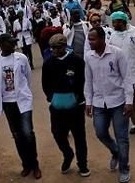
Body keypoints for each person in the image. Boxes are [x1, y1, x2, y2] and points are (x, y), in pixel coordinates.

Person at [84, 26, 133, 183]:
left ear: (102, 39)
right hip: (99, 103)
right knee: (100, 132)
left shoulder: (117, 53)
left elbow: (126, 77)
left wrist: (129, 101)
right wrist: (89, 102)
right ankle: (115, 152)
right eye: (89, 39)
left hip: (119, 102)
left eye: (92, 39)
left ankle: (124, 167)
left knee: (122, 137)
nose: (89, 42)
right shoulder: (89, 57)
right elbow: (88, 81)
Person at [0, 34, 41, 179]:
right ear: (1, 45)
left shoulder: (21, 58)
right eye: (10, 43)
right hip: (8, 103)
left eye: (14, 43)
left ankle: (35, 165)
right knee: (17, 135)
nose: (13, 46)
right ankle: (26, 164)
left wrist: (24, 93)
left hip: (23, 101)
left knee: (28, 133)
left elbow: (28, 78)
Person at [42, 34, 89, 177]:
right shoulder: (48, 63)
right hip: (57, 107)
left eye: (58, 48)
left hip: (75, 107)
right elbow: (45, 84)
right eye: (53, 48)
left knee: (79, 136)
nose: (55, 51)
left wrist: (78, 98)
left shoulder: (77, 60)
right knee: (57, 134)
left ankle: (83, 165)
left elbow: (83, 80)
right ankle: (68, 154)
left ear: (65, 46)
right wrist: (52, 98)